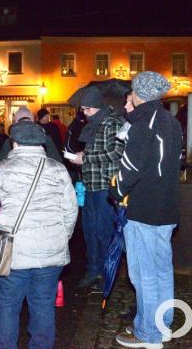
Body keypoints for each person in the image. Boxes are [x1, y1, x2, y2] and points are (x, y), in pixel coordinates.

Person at [0, 121, 77, 349]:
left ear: (15, 142)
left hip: (14, 253)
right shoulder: (58, 169)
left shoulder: (3, 168)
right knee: (43, 306)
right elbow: (70, 210)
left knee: (6, 307)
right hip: (51, 253)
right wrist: (62, 237)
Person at [110, 71, 182, 348]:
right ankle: (161, 325)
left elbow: (131, 168)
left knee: (143, 274)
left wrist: (115, 191)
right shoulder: (170, 121)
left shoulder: (144, 124)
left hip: (145, 208)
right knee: (162, 270)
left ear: (138, 93)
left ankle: (148, 333)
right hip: (166, 207)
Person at [69, 87, 126, 292]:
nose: (83, 113)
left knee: (104, 231)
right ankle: (93, 270)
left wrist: (86, 158)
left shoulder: (113, 123)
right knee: (90, 231)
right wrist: (82, 154)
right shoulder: (93, 124)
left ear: (97, 107)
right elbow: (98, 149)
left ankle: (106, 272)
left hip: (104, 186)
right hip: (88, 184)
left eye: (87, 109)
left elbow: (117, 153)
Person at [0, 106, 64, 163]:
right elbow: (57, 163)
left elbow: (1, 164)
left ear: (15, 124)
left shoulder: (10, 141)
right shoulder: (44, 138)